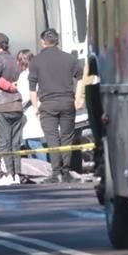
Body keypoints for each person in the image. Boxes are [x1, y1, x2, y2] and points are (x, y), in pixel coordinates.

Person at [28, 28, 83, 183]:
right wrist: (78, 98)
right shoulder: (70, 59)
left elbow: (32, 86)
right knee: (67, 137)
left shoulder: (36, 60)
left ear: (42, 42)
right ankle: (66, 172)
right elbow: (81, 78)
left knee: (52, 138)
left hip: (48, 104)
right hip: (67, 102)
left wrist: (35, 106)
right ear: (57, 41)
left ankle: (55, 172)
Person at [0, 33, 24, 185]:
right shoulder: (14, 59)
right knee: (15, 142)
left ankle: (7, 174)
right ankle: (17, 174)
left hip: (1, 105)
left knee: (3, 141)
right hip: (17, 104)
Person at [14, 49, 47, 161]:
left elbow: (24, 95)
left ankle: (44, 169)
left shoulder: (25, 75)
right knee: (29, 143)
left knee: (33, 143)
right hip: (34, 108)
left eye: (18, 60)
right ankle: (37, 170)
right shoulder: (37, 72)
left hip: (30, 110)